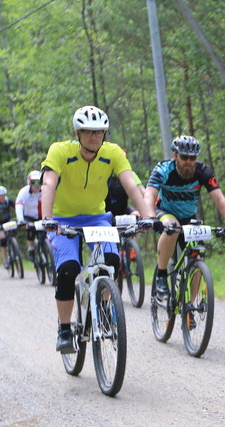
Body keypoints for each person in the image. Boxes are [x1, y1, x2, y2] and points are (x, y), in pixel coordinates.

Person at [40, 105, 158, 352]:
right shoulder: (60, 150)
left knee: (112, 259)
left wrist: (147, 216)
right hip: (62, 220)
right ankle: (64, 329)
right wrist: (47, 218)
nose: (94, 137)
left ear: (105, 134)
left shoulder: (112, 152)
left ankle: (104, 306)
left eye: (99, 132)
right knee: (68, 269)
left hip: (96, 218)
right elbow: (48, 182)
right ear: (78, 133)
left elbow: (130, 184)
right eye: (88, 132)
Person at [145, 135, 225, 298]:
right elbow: (149, 195)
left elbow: (219, 198)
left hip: (188, 217)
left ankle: (189, 307)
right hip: (164, 211)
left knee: (198, 257)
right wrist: (151, 218)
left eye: (192, 158)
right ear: (175, 156)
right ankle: (161, 274)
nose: (188, 161)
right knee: (172, 228)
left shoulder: (203, 172)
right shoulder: (163, 169)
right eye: (184, 157)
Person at [15, 170, 43, 260]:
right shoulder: (23, 192)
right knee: (30, 231)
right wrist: (21, 220)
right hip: (28, 216)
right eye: (34, 182)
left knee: (45, 234)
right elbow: (19, 205)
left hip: (41, 216)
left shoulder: (45, 190)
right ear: (29, 182)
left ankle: (45, 250)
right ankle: (31, 248)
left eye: (39, 182)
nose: (37, 184)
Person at [0, 186, 12, 268]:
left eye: (3, 195)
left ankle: (14, 246)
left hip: (7, 221)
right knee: (3, 239)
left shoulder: (8, 201)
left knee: (13, 234)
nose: (2, 197)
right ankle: (5, 260)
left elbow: (17, 206)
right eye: (0, 196)